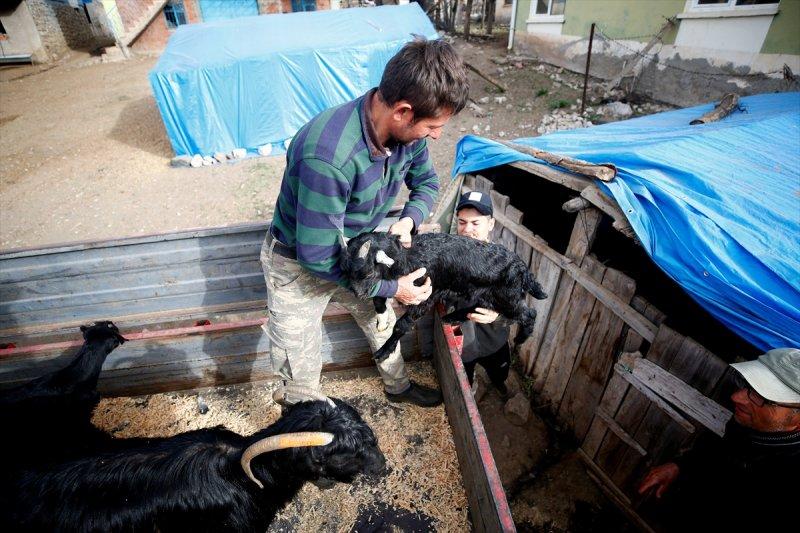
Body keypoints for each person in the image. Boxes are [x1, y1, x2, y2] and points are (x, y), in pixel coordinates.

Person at [261, 38, 469, 407]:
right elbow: (317, 256)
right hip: (299, 262)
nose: (436, 135)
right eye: (433, 126)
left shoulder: (408, 135)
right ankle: (304, 423)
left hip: (360, 249)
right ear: (403, 111)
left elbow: (426, 183)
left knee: (381, 322)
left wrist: (409, 220)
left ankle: (399, 387)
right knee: (299, 357)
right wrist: (392, 289)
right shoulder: (328, 157)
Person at [637, 348, 799, 530]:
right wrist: (680, 465)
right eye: (747, 387)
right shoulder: (747, 423)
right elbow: (720, 450)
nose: (736, 397)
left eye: (762, 397)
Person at [451, 191, 511, 397]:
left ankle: (498, 384)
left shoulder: (506, 265)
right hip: (462, 343)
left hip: (494, 340)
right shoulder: (446, 259)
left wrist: (499, 316)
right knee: (464, 382)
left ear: (491, 224)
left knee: (500, 372)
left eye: (475, 223)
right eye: (462, 222)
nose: (467, 229)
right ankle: (469, 393)